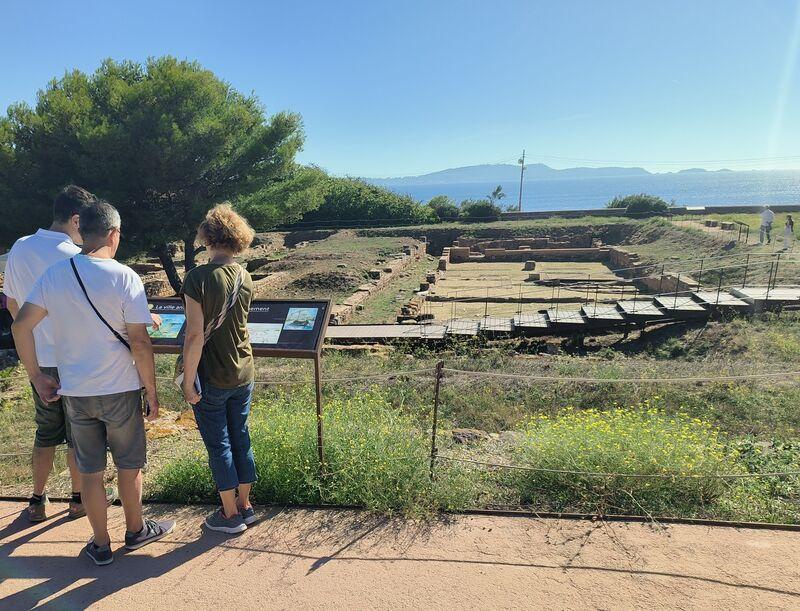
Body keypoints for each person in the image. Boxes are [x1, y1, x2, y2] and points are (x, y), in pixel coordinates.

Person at [11, 200, 175, 566]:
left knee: (90, 472)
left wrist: (37, 376)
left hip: (76, 391)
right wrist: (151, 390)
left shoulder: (54, 275)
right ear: (114, 234)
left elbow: (20, 326)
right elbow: (139, 341)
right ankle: (135, 531)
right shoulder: (124, 276)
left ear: (81, 231)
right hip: (120, 389)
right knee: (129, 466)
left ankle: (100, 545)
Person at [2, 185, 110, 522]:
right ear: (76, 220)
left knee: (45, 431)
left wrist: (32, 338)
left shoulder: (19, 247)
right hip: (75, 358)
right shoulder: (75, 256)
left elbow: (12, 304)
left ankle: (37, 499)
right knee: (78, 434)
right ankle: (77, 499)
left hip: (38, 359)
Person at [180, 203, 256, 534]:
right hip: (244, 371)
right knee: (241, 437)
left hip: (212, 375)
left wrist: (188, 382)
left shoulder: (197, 278)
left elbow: (195, 335)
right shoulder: (245, 276)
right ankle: (246, 505)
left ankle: (229, 514)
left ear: (207, 237)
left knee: (219, 443)